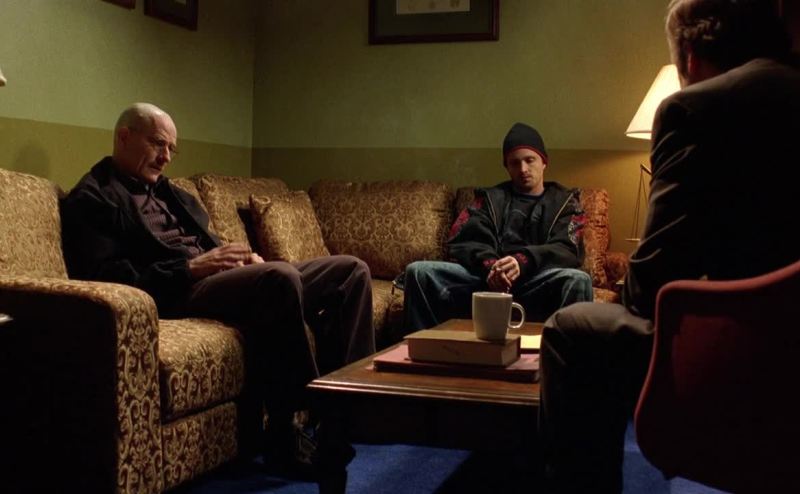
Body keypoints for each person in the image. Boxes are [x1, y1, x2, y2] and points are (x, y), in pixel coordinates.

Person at [538, 1, 800, 492]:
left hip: (750, 347)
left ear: (692, 60)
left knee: (573, 329)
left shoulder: (694, 109)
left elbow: (649, 287)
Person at [61, 102, 375, 477]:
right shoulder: (94, 198)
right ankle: (286, 430)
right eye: (158, 144)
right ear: (124, 137)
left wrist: (244, 259)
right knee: (279, 278)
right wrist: (190, 268)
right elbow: (106, 276)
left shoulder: (171, 193)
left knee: (351, 270)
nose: (166, 157)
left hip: (218, 277)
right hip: (179, 290)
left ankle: (351, 411)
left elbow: (207, 243)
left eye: (171, 149)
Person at [402, 122, 593, 333]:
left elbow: (567, 248)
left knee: (578, 280)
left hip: (537, 282)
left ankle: (565, 355)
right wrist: (492, 267)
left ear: (544, 162)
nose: (523, 169)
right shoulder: (489, 199)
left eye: (530, 160)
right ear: (507, 167)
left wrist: (523, 261)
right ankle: (423, 348)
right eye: (514, 163)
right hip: (486, 282)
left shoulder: (566, 202)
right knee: (418, 272)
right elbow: (464, 241)